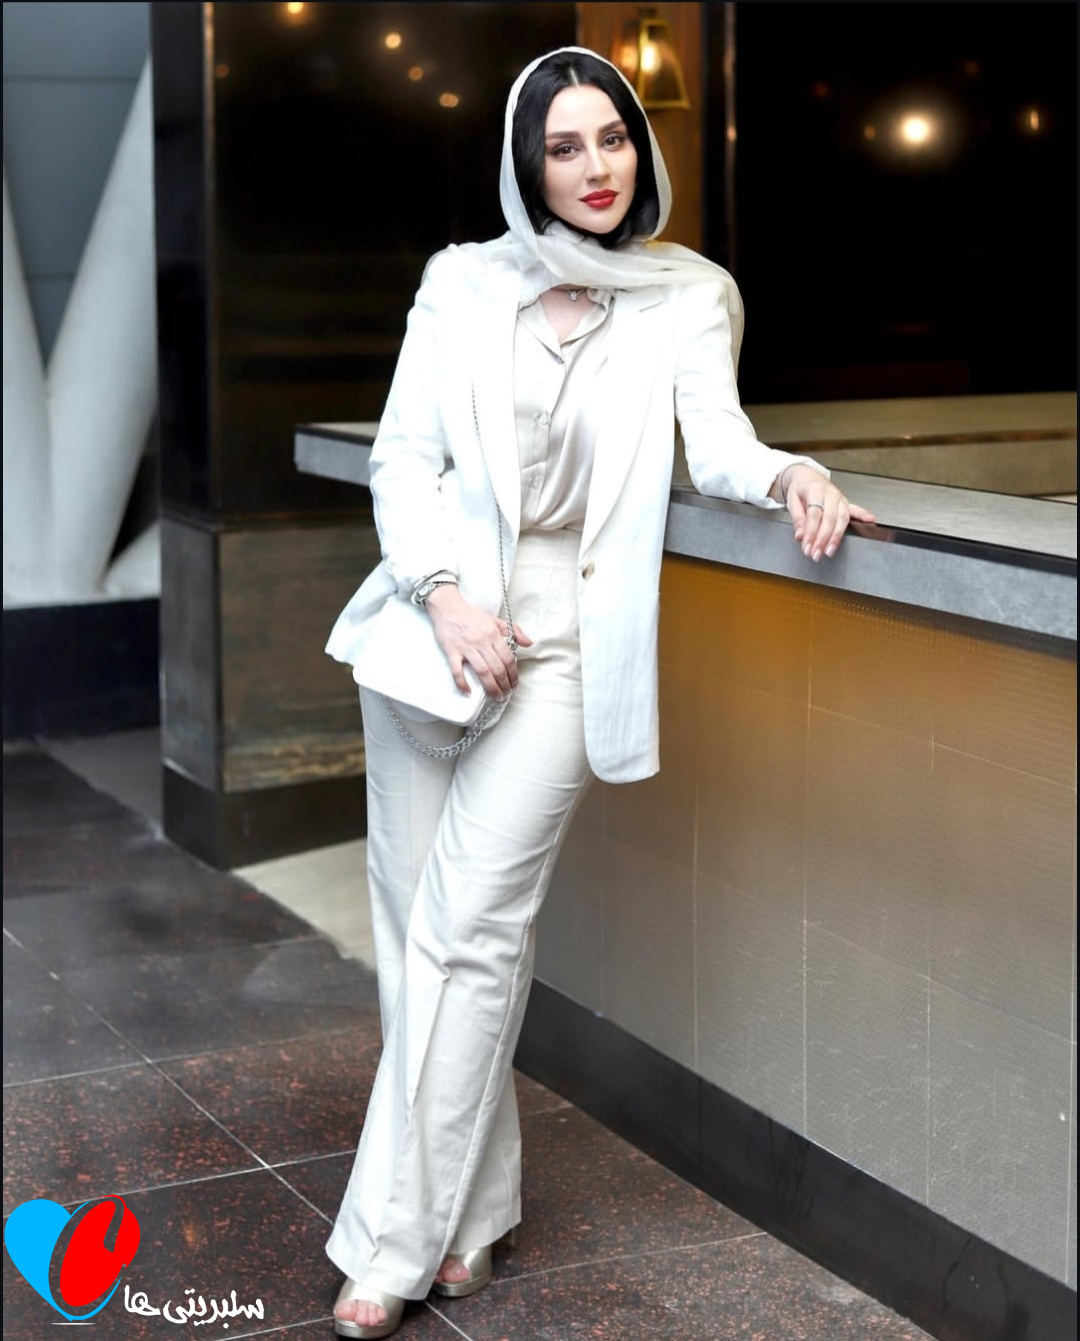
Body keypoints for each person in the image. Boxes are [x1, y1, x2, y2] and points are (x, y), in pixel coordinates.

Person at [322, 45, 875, 1339]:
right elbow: (402, 459)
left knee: (472, 929)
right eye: (563, 148)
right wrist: (445, 595)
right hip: (432, 632)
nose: (594, 167)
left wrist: (791, 471)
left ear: (642, 146)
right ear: (528, 166)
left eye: (612, 138)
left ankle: (388, 1245)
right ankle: (471, 1214)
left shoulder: (688, 294)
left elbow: (715, 443)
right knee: (418, 939)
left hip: (569, 645)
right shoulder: (462, 282)